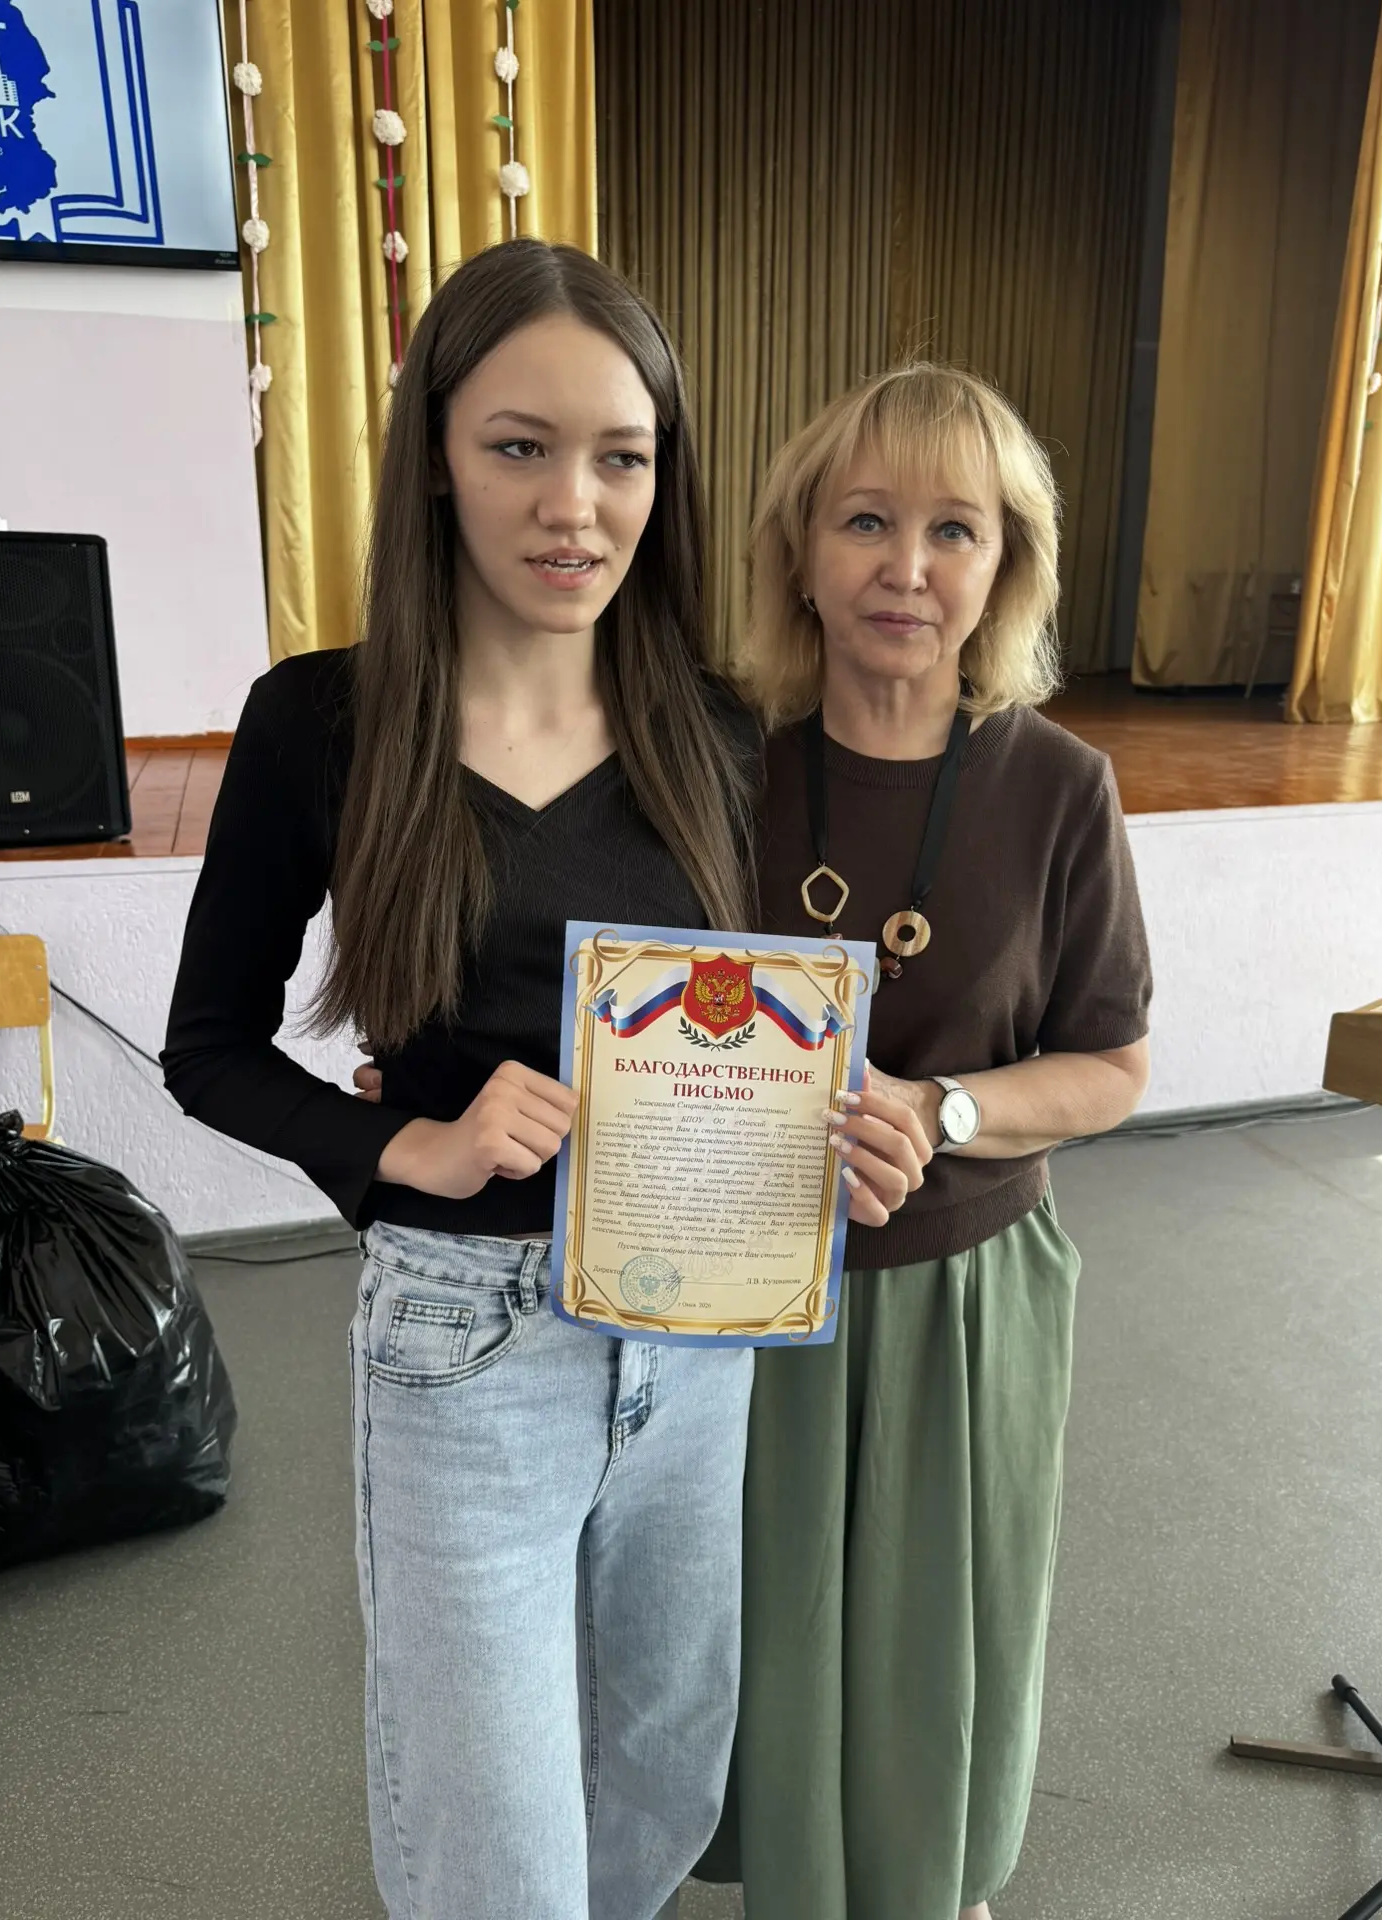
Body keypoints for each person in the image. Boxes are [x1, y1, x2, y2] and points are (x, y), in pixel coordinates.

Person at [162, 240, 927, 1920]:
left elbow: (754, 1025)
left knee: (661, 1787)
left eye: (621, 457)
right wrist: (404, 1147)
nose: (575, 506)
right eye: (521, 446)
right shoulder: (322, 723)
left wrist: (851, 1125)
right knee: (499, 1858)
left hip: (702, 1337)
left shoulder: (719, 731)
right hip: (468, 1346)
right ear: (437, 453)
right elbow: (207, 1047)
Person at [694, 363, 1154, 1920]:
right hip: (744, 1287)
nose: (907, 567)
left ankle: (927, 1883)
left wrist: (943, 1111)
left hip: (966, 1287)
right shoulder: (718, 765)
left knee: (936, 1623)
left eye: (955, 529)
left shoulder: (1062, 787)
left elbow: (1113, 1063)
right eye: (866, 522)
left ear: (1004, 565)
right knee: (760, 1610)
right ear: (800, 550)